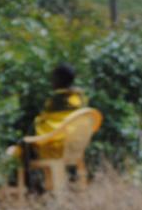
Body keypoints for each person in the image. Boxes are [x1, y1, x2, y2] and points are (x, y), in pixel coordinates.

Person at [9, 63, 89, 191]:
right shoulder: (80, 98)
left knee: (25, 145)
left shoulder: (57, 100)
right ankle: (46, 186)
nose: (52, 81)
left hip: (56, 147)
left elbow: (47, 123)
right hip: (75, 146)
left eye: (54, 78)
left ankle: (32, 188)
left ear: (60, 80)